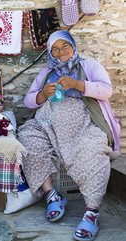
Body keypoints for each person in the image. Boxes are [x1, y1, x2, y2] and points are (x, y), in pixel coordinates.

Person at [17, 30, 121, 241]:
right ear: (50, 53)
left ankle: (92, 212)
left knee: (92, 150)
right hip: (46, 123)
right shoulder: (46, 73)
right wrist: (42, 95)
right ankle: (51, 195)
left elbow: (106, 90)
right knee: (27, 140)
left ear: (73, 47)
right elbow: (28, 101)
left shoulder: (88, 66)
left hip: (84, 125)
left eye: (65, 46)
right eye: (55, 48)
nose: (61, 51)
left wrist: (76, 84)